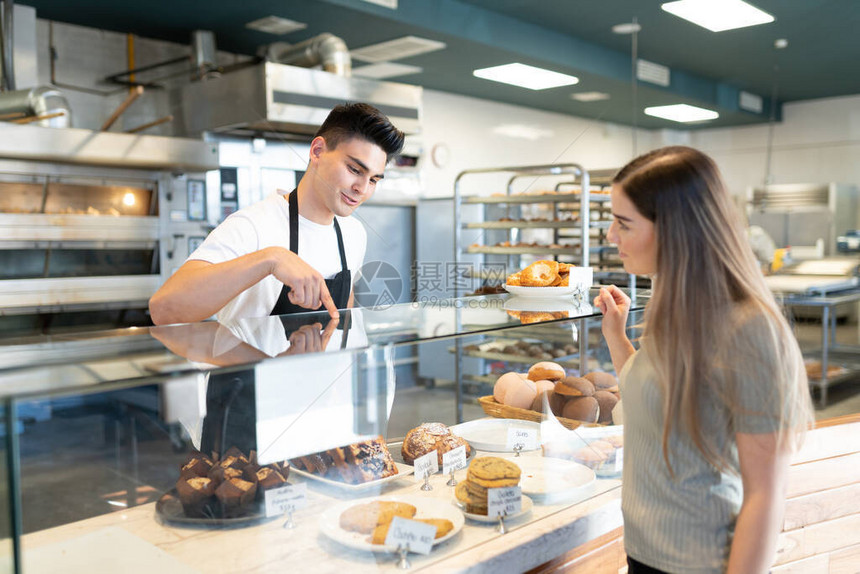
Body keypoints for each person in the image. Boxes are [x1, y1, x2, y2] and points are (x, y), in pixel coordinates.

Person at [593, 146, 813, 574]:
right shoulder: (674, 305)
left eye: (623, 223)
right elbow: (663, 401)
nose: (610, 236)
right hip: (643, 556)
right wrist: (616, 338)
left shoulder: (750, 329)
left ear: (675, 230)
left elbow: (765, 495)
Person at [148, 102, 405, 325]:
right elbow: (164, 309)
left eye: (373, 180)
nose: (361, 189)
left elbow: (342, 315)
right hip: (251, 380)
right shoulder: (253, 225)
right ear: (317, 151)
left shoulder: (354, 234)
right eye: (354, 169)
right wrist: (271, 260)